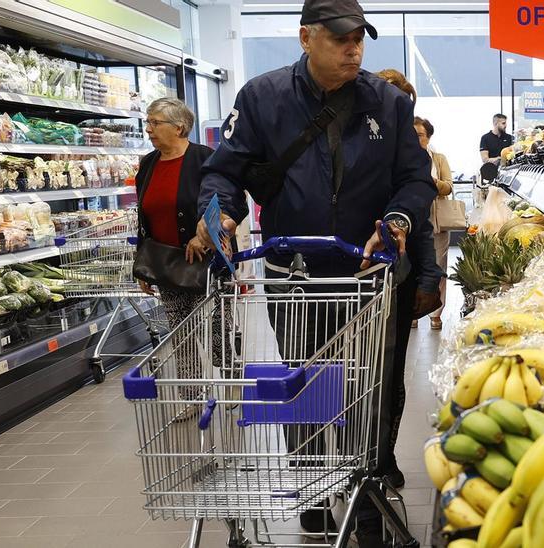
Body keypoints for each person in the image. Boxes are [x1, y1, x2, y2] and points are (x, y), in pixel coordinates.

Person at [194, 0, 436, 543]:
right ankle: (312, 487)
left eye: (360, 39)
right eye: (340, 38)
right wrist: (222, 214)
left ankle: (366, 491)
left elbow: (415, 180)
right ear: (307, 38)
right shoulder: (262, 98)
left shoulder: (389, 103)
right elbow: (222, 173)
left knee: (371, 388)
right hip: (295, 276)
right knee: (307, 382)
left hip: (369, 277)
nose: (354, 48)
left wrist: (396, 219)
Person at [372, 69, 445, 489]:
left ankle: (382, 456)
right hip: (350, 277)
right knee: (340, 376)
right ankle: (328, 467)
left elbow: (417, 227)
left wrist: (427, 278)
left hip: (396, 278)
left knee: (388, 374)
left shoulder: (410, 155)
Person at [132, 98, 218, 402]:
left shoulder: (205, 158)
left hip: (206, 261)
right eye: (148, 122)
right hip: (166, 263)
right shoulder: (148, 164)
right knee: (181, 334)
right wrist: (141, 264)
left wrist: (204, 234)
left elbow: (224, 203)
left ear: (179, 127)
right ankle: (192, 397)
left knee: (218, 332)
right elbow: (144, 217)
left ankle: (235, 387)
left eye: (156, 122)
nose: (149, 129)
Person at [413, 116, 452, 331]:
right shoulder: (402, 158)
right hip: (412, 222)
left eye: (419, 135)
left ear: (428, 138)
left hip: (436, 222)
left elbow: (448, 186)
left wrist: (433, 183)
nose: (415, 139)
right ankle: (414, 311)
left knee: (438, 267)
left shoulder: (438, 159)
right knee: (412, 267)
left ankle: (436, 313)